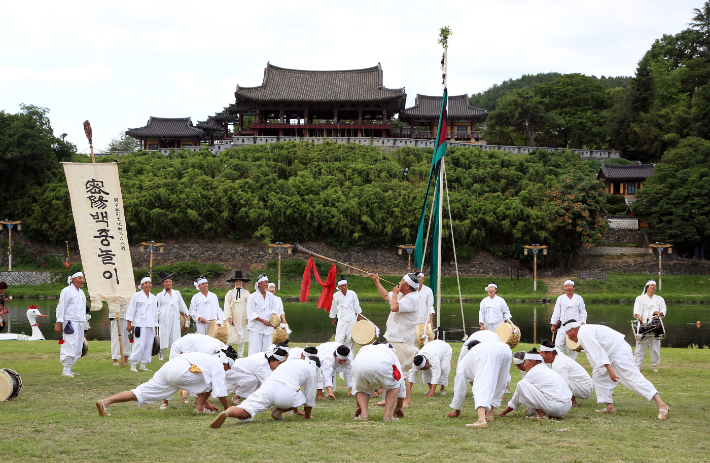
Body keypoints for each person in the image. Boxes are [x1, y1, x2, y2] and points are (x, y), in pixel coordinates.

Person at [565, 320, 669, 419]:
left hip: (619, 350)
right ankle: (609, 406)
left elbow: (597, 351)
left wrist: (610, 370)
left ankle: (662, 405)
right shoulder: (584, 331)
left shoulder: (583, 332)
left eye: (567, 333)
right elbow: (595, 353)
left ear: (573, 329)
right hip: (610, 352)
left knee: (632, 377)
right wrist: (606, 368)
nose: (568, 338)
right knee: (598, 376)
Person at [96, 348, 236, 416]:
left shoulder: (204, 357)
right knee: (214, 380)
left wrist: (208, 404)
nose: (227, 370)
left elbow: (204, 384)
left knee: (141, 392)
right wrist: (227, 410)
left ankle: (106, 402)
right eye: (228, 368)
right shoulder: (218, 363)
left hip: (170, 367)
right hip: (182, 371)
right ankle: (199, 408)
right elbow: (220, 390)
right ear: (226, 363)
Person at [210, 356, 318, 427]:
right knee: (303, 397)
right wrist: (307, 415)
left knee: (245, 410)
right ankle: (279, 411)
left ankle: (227, 412)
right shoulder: (311, 369)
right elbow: (310, 396)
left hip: (267, 386)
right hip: (286, 394)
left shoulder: (290, 363)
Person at [369, 272, 420, 408]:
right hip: (393, 337)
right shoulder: (404, 295)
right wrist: (376, 282)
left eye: (402, 281)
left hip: (402, 339)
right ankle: (387, 398)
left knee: (402, 370)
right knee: (390, 368)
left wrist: (396, 294)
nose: (399, 282)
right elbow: (386, 296)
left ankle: (406, 400)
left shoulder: (412, 299)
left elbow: (394, 307)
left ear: (407, 286)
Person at [447, 340, 512, 429]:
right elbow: (503, 380)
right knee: (498, 381)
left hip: (492, 350)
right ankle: (489, 414)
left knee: (481, 384)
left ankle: (481, 420)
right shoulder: (481, 350)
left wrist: (457, 410)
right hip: (506, 349)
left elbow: (460, 386)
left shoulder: (465, 361)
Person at [498, 348, 572, 421]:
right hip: (567, 406)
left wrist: (503, 413)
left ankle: (542, 415)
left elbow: (519, 391)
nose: (524, 365)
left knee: (521, 384)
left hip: (556, 408)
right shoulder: (544, 369)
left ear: (532, 362)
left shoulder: (533, 371)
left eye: (525, 362)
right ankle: (554, 414)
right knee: (524, 385)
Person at [350, 343, 406, 422]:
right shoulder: (390, 353)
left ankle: (364, 414)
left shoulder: (364, 349)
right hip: (382, 365)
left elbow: (356, 385)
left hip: (358, 366)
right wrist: (399, 406)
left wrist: (359, 406)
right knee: (394, 384)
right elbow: (399, 379)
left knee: (362, 387)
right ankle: (388, 415)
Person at [54, 272, 89, 377]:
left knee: (78, 346)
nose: (82, 280)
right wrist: (58, 322)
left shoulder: (82, 292)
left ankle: (69, 368)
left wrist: (86, 325)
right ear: (73, 279)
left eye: (83, 278)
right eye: (79, 278)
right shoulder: (67, 291)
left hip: (80, 322)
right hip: (70, 322)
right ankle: (65, 370)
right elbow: (61, 307)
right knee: (70, 344)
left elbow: (83, 310)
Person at [540, 339, 593, 407]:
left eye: (542, 353)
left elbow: (563, 384)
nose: (541, 356)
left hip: (585, 388)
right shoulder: (554, 358)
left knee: (558, 382)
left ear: (550, 353)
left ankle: (571, 402)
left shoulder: (559, 362)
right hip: (579, 384)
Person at [633, 280, 667, 372]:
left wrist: (660, 313)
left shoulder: (659, 299)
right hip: (643, 324)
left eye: (655, 286)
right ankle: (639, 364)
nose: (654, 287)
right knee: (641, 345)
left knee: (655, 345)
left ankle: (654, 365)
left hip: (655, 324)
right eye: (652, 285)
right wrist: (638, 316)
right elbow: (636, 311)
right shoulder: (640, 298)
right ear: (647, 287)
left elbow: (664, 311)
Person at [155, 270, 189, 361]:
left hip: (175, 318)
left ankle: (174, 355)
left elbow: (181, 305)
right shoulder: (159, 295)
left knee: (175, 336)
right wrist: (157, 315)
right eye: (166, 282)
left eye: (170, 281)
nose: (168, 283)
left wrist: (187, 314)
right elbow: (156, 308)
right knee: (163, 335)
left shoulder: (177, 293)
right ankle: (161, 354)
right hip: (164, 318)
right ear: (163, 284)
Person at [127, 277, 158, 372]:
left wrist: (155, 325)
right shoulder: (136, 295)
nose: (148, 285)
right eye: (146, 283)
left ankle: (143, 364)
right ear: (142, 285)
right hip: (140, 323)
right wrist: (129, 323)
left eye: (150, 283)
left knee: (148, 344)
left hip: (150, 323)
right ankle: (133, 364)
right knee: (139, 344)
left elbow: (155, 312)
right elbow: (131, 309)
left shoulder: (153, 297)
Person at [550, 280, 587, 361]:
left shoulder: (579, 298)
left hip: (574, 326)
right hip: (563, 325)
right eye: (566, 286)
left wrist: (582, 323)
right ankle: (559, 361)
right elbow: (556, 312)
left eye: (569, 286)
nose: (567, 288)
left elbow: (583, 312)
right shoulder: (560, 298)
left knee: (572, 346)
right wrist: (553, 324)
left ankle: (572, 363)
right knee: (559, 344)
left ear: (573, 288)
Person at [329, 277, 364, 353]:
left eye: (345, 285)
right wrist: (333, 320)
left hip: (351, 319)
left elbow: (356, 307)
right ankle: (337, 354)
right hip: (341, 319)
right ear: (339, 287)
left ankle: (349, 356)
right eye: (342, 286)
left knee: (350, 338)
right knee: (339, 338)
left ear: (347, 285)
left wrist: (361, 318)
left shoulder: (352, 294)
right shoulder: (336, 295)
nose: (344, 287)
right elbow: (333, 308)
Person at [246, 274, 277, 355]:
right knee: (255, 349)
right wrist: (262, 320)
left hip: (267, 326)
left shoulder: (270, 296)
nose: (267, 284)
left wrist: (273, 314)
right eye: (265, 282)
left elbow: (274, 307)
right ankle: (254, 366)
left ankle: (266, 365)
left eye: (267, 282)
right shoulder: (252, 297)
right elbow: (251, 312)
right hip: (256, 327)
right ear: (259, 284)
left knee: (267, 350)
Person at [223, 270, 250, 358]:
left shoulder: (246, 293)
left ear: (242, 282)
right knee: (231, 334)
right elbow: (227, 305)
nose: (238, 283)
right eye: (237, 281)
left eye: (240, 281)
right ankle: (226, 351)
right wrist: (229, 316)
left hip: (243, 316)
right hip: (233, 316)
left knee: (242, 335)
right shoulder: (230, 293)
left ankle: (241, 354)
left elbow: (250, 305)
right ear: (234, 282)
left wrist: (248, 317)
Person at [109, 300, 131, 366]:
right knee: (116, 337)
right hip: (115, 313)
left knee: (127, 337)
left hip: (127, 314)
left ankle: (126, 358)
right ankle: (115, 359)